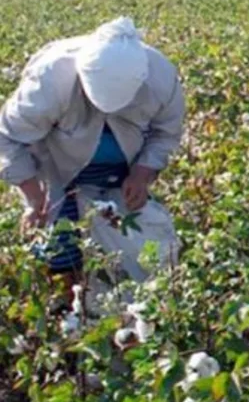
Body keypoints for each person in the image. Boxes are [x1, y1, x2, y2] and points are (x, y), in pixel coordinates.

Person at [0, 17, 185, 283]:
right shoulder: (50, 79)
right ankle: (70, 302)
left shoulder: (161, 78)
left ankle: (122, 301)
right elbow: (7, 135)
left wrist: (142, 173)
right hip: (56, 166)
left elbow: (166, 133)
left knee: (138, 239)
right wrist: (33, 196)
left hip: (123, 172)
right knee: (58, 243)